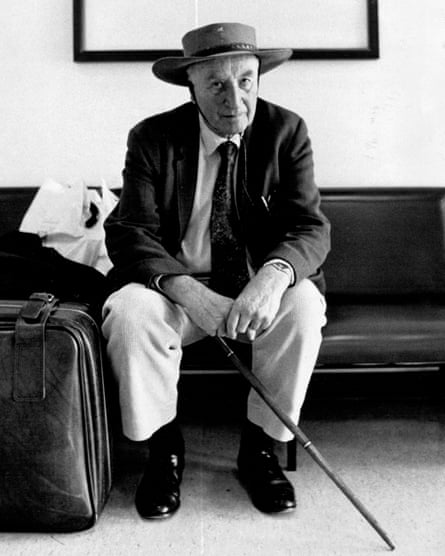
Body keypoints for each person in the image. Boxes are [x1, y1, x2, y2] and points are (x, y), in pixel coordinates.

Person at [102, 22, 330, 520]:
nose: (234, 99)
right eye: (217, 85)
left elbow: (310, 228)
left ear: (258, 80)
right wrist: (187, 291)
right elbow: (130, 232)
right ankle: (163, 452)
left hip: (254, 289)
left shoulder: (285, 131)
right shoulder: (152, 138)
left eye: (245, 81)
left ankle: (261, 449)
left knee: (303, 305)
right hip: (176, 292)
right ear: (192, 89)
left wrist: (271, 277)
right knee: (130, 311)